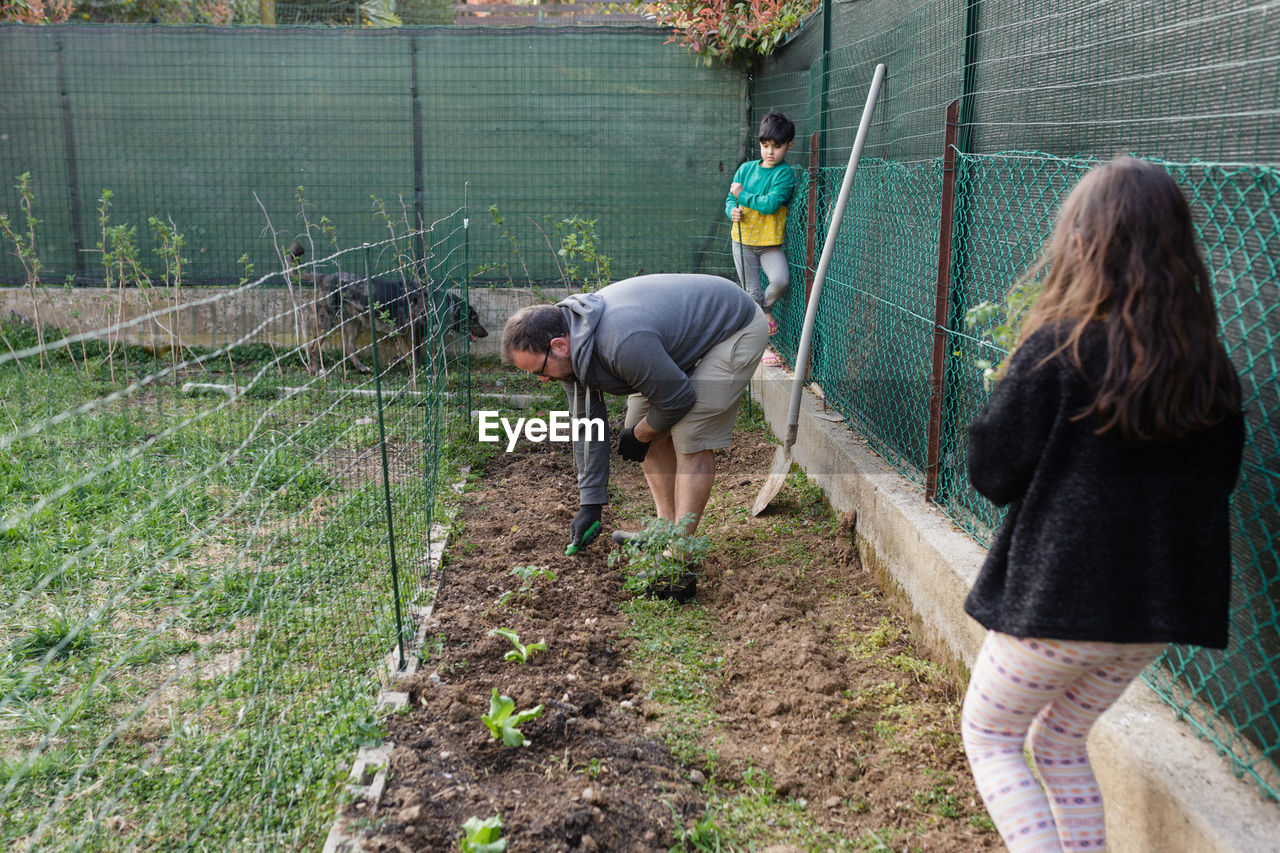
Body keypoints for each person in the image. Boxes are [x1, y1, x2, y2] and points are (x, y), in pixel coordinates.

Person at [960, 156, 1244, 853]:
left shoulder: (1060, 347)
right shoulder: (1209, 366)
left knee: (991, 735)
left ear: (1083, 241)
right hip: (1154, 616)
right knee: (1058, 742)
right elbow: (1221, 479)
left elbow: (991, 471)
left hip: (1060, 606)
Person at [501, 273, 769, 570]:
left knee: (690, 434)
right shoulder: (567, 355)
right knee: (640, 425)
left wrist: (641, 434)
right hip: (670, 341)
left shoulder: (621, 341)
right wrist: (590, 504)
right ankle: (664, 532)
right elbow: (588, 426)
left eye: (540, 370)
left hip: (733, 327)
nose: (542, 380)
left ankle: (679, 553)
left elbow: (677, 399)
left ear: (559, 345)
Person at [726, 112, 796, 355]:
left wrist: (742, 195)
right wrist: (732, 211)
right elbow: (729, 200)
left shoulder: (784, 175)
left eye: (776, 147)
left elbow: (769, 204)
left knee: (780, 281)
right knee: (752, 292)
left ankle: (764, 310)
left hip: (769, 244)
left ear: (789, 146)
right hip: (743, 240)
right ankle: (762, 347)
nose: (769, 152)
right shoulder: (745, 169)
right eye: (765, 146)